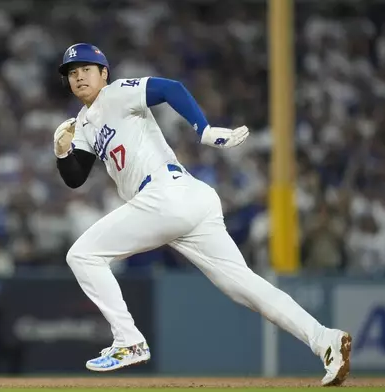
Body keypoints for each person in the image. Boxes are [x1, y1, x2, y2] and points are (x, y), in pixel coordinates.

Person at [53, 43, 351, 386]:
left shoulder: (116, 93)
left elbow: (170, 88)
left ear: (104, 73)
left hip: (166, 194)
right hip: (186, 201)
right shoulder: (85, 124)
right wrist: (62, 152)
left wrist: (204, 129)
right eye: (72, 73)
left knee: (83, 255)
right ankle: (325, 339)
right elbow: (75, 178)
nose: (79, 77)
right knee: (244, 286)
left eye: (86, 69)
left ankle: (128, 340)